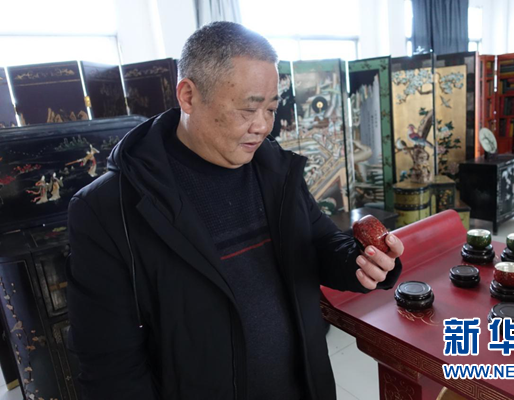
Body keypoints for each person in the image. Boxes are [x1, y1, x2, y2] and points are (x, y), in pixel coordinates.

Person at [66, 21, 403, 400]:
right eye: (248, 108)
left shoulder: (275, 170)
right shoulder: (108, 209)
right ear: (188, 96)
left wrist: (363, 263)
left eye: (271, 108)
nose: (262, 126)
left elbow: (319, 244)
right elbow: (109, 367)